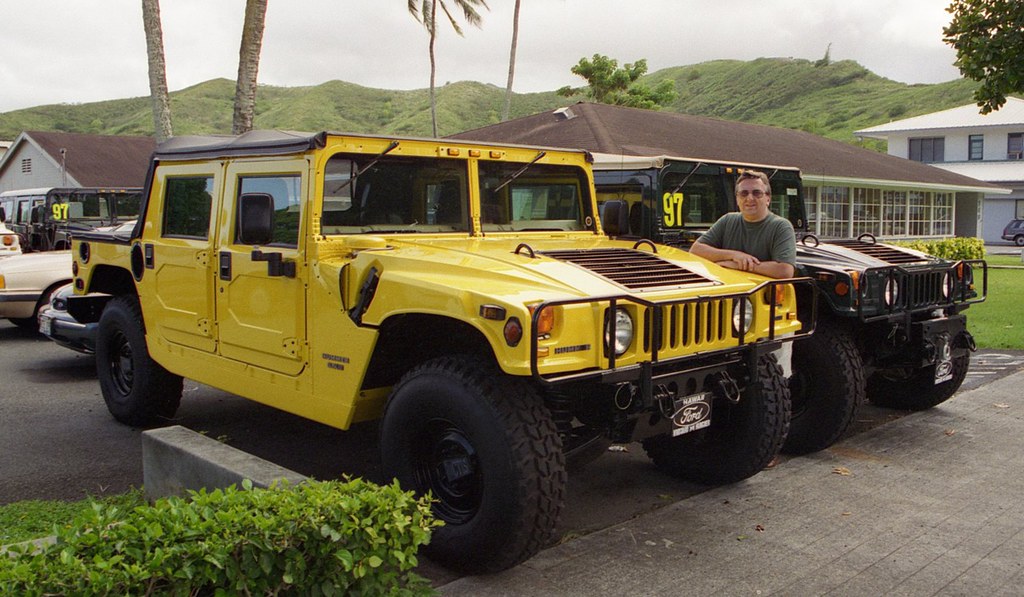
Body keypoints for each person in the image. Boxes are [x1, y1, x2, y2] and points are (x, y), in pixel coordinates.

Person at [689, 170, 796, 279]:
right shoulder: (727, 221)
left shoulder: (781, 226)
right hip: (728, 292)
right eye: (743, 193)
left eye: (757, 193)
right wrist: (734, 255)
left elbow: (785, 271)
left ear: (768, 199)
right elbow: (695, 250)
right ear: (737, 199)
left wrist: (739, 265)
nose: (749, 198)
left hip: (762, 294)